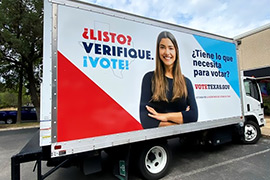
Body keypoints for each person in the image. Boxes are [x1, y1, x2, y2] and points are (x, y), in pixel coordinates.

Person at [139, 31, 198, 129]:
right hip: (160, 141)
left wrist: (164, 117)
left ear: (176, 51)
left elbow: (193, 116)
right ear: (158, 50)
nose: (167, 52)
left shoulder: (186, 82)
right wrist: (181, 121)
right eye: (162, 47)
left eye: (170, 48)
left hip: (185, 140)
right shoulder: (149, 78)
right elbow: (146, 121)